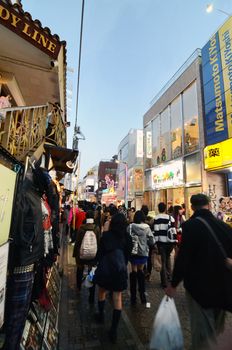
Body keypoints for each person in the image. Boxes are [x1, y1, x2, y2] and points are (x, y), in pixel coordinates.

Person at [166, 194, 232, 350]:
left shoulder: (190, 226)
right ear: (209, 205)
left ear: (191, 207)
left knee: (202, 336)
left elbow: (183, 258)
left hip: (199, 290)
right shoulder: (224, 227)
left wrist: (174, 284)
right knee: (217, 332)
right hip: (223, 288)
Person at [94, 213, 132, 343]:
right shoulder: (127, 238)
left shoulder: (106, 236)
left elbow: (100, 254)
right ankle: (114, 330)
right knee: (117, 297)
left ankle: (101, 315)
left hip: (106, 270)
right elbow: (127, 256)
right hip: (120, 272)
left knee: (102, 291)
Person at [73, 210, 101, 301]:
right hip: (93, 255)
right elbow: (98, 242)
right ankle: (91, 295)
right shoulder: (96, 228)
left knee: (80, 269)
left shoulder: (81, 228)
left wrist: (75, 254)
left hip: (82, 254)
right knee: (91, 272)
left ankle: (78, 288)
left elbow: (78, 242)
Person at [129, 210, 155, 304]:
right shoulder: (147, 228)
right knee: (141, 271)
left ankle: (133, 297)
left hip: (133, 252)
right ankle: (142, 295)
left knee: (133, 271)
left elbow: (127, 238)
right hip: (143, 252)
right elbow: (151, 241)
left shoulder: (131, 227)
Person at [153, 202, 176, 288]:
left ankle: (164, 282)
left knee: (162, 261)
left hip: (161, 243)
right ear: (165, 208)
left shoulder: (157, 218)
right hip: (169, 242)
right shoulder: (171, 218)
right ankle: (169, 278)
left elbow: (156, 231)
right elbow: (174, 230)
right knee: (168, 258)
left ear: (158, 209)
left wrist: (155, 243)